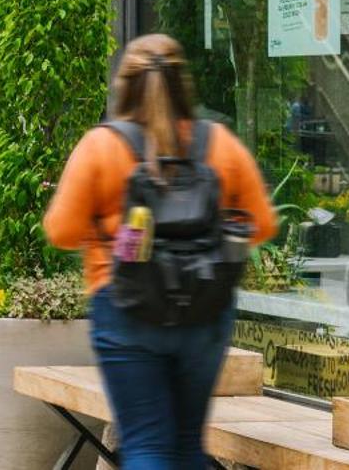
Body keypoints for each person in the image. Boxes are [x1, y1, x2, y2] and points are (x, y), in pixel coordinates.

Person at [44, 34, 277, 470]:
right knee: (188, 443)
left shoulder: (102, 147)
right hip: (206, 310)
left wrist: (106, 230)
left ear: (124, 84)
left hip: (125, 308)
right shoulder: (220, 144)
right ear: (182, 82)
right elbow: (262, 225)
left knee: (146, 443)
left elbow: (60, 231)